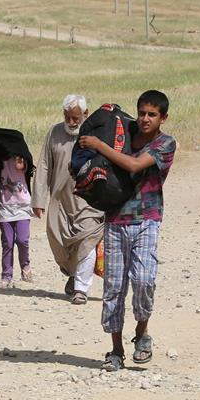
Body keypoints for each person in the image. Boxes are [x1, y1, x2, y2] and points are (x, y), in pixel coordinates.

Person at [79, 90, 176, 372]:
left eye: (152, 114)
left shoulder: (165, 143)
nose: (145, 119)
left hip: (147, 218)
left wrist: (98, 144)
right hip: (115, 219)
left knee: (144, 280)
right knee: (114, 287)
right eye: (142, 113)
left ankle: (142, 333)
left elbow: (134, 165)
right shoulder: (121, 135)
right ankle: (116, 349)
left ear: (163, 118)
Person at [31, 95, 104, 305]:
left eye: (75, 118)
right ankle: (73, 273)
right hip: (60, 200)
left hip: (89, 201)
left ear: (86, 114)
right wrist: (38, 199)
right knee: (59, 242)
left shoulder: (97, 135)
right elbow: (44, 164)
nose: (71, 122)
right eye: (67, 117)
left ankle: (81, 288)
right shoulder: (54, 132)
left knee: (87, 240)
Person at [0, 155, 33, 288]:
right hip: (4, 206)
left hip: (22, 206)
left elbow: (23, 167)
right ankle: (6, 276)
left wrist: (21, 160)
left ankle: (25, 264)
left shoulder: (21, 157)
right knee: (7, 243)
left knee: (23, 240)